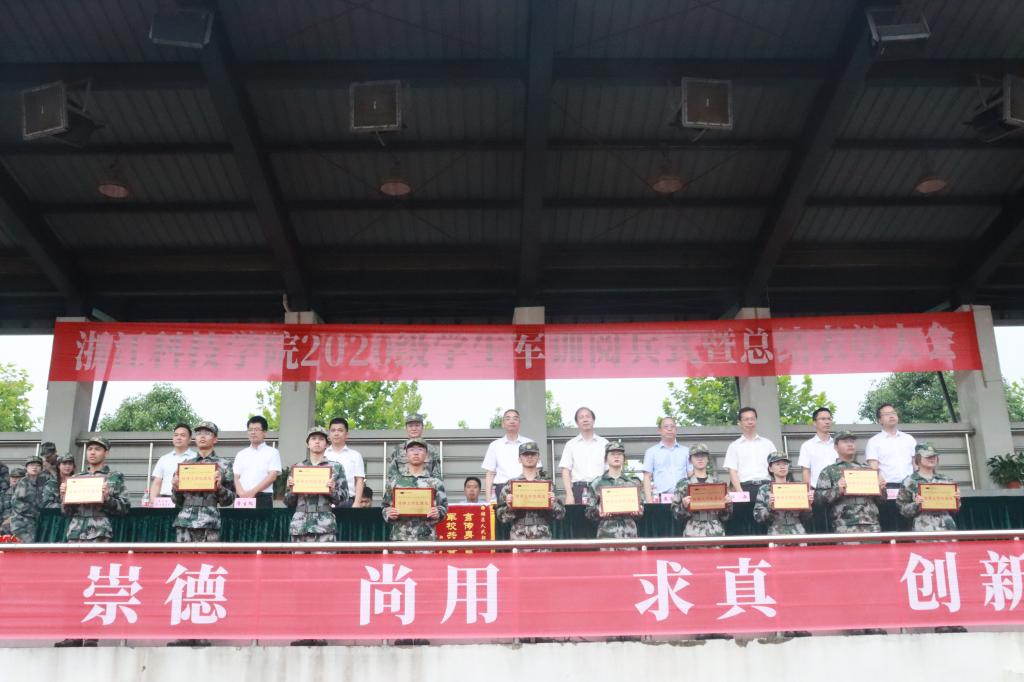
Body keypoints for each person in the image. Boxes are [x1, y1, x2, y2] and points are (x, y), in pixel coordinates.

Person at [171, 421, 236, 543]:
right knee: (183, 556)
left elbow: (230, 499)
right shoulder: (185, 464)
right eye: (199, 433)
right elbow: (176, 500)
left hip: (209, 522)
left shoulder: (224, 465)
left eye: (207, 433)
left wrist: (219, 488)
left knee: (207, 556)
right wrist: (175, 487)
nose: (202, 436)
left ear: (215, 439)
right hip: (184, 522)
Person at [283, 426, 349, 543]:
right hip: (300, 525)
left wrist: (332, 490)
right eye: (313, 438)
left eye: (321, 439)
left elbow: (343, 498)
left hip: (324, 525)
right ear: (307, 444)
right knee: (298, 556)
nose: (317, 441)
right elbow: (288, 502)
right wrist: (292, 490)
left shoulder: (336, 467)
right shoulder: (297, 468)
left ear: (327, 444)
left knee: (324, 556)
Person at [814, 431, 886, 534]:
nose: (850, 444)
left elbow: (882, 501)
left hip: (871, 525)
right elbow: (818, 500)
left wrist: (881, 488)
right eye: (845, 441)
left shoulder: (868, 470)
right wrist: (837, 490)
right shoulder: (828, 471)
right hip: (844, 526)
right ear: (835, 447)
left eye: (852, 441)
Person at [60, 437, 130, 542]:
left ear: (106, 453)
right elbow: (66, 512)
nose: (92, 452)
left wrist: (107, 498)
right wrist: (64, 497)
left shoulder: (114, 477)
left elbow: (125, 508)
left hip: (100, 533)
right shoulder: (76, 478)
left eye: (97, 449)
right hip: (75, 534)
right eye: (90, 449)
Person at [497, 441, 565, 546]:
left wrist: (552, 505)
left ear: (538, 458)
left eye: (533, 454)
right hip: (519, 536)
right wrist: (509, 507)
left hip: (542, 535)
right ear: (519, 459)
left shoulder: (548, 485)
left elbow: (561, 514)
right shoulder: (510, 485)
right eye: (525, 454)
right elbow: (501, 517)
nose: (529, 457)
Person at [383, 438, 448, 542]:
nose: (416, 453)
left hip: (426, 538)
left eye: (420, 449)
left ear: (426, 454)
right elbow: (385, 506)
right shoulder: (395, 482)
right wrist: (389, 513)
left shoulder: (435, 482)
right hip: (401, 538)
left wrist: (438, 512)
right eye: (412, 450)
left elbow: (443, 507)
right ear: (406, 454)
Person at [866, 403, 916, 531]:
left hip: (909, 487)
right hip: (888, 488)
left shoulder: (909, 439)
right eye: (887, 414)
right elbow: (873, 466)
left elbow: (915, 463)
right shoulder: (874, 441)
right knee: (890, 525)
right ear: (880, 420)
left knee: (909, 526)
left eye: (893, 413)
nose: (892, 416)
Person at [585, 440, 644, 542]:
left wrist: (638, 510)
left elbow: (641, 508)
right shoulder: (596, 483)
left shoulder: (634, 483)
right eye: (612, 454)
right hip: (606, 532)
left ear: (624, 459)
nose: (616, 457)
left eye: (620, 454)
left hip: (628, 533)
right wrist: (599, 511)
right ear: (606, 459)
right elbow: (588, 511)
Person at [671, 444, 732, 537]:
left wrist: (727, 504)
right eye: (696, 456)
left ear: (708, 459)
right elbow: (676, 515)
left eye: (703, 455)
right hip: (692, 531)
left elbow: (726, 517)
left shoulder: (718, 484)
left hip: (715, 531)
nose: (700, 459)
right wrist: (684, 506)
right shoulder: (683, 485)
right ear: (690, 460)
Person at [898, 443, 960, 532]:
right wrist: (916, 504)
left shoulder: (946, 480)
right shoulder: (909, 482)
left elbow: (955, 509)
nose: (932, 459)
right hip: (923, 529)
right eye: (928, 456)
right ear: (918, 458)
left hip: (947, 528)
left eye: (934, 456)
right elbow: (902, 510)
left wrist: (956, 500)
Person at [753, 452, 813, 535]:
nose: (782, 467)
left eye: (785, 464)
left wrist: (808, 505)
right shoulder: (764, 490)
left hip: (798, 532)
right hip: (776, 532)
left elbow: (806, 517)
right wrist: (769, 507)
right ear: (770, 468)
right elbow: (758, 517)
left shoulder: (797, 488)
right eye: (777, 464)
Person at [558, 407, 609, 505]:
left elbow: (609, 470)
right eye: (581, 417)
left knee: (601, 515)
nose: (585, 419)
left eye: (588, 416)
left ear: (593, 420)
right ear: (577, 423)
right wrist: (569, 494)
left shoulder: (604, 443)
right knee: (579, 515)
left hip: (600, 489)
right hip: (578, 489)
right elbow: (565, 470)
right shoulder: (571, 444)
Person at [481, 408, 533, 503]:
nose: (512, 421)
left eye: (515, 418)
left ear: (519, 423)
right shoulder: (494, 445)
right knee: (502, 513)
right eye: (508, 418)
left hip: (525, 488)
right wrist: (488, 500)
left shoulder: (529, 443)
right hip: (502, 489)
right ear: (503, 423)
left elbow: (536, 469)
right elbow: (490, 474)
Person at [723, 407, 776, 497]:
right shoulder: (734, 446)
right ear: (740, 423)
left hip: (766, 487)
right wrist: (740, 492)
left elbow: (776, 467)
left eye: (752, 419)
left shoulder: (768, 444)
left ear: (756, 421)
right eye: (746, 419)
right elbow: (732, 471)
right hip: (744, 487)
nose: (750, 422)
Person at [233, 416, 282, 510]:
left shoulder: (273, 452)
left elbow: (272, 476)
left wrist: (252, 492)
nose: (253, 432)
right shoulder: (241, 454)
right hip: (241, 498)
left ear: (264, 433)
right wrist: (241, 493)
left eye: (256, 429)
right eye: (250, 429)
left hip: (262, 497)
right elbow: (236, 477)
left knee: (262, 520)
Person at [642, 416, 691, 504]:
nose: (669, 429)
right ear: (660, 431)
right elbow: (647, 477)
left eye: (672, 426)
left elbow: (691, 474)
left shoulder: (686, 451)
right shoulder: (651, 452)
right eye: (666, 427)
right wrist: (650, 502)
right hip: (660, 500)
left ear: (676, 430)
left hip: (683, 500)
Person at [385, 413, 441, 485]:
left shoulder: (431, 450)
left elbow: (437, 476)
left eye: (417, 425)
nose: (414, 429)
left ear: (422, 427)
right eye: (410, 426)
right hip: (403, 488)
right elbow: (391, 476)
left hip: (426, 488)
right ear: (406, 428)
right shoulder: (397, 450)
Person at [148, 423, 195, 504]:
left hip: (188, 501)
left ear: (190, 439)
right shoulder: (164, 459)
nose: (178, 438)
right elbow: (157, 483)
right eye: (176, 435)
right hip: (165, 501)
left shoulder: (196, 458)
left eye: (183, 435)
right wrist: (152, 502)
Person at [324, 417, 365, 508]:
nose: (336, 433)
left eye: (340, 430)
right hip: (325, 501)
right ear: (329, 434)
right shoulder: (323, 454)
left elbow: (359, 480)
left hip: (348, 501)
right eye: (333, 430)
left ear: (346, 434)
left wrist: (357, 503)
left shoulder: (355, 455)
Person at [10, 454, 52, 543]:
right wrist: (34, 511)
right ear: (27, 467)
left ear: (41, 468)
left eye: (37, 465)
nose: (34, 467)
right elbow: (17, 503)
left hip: (34, 523)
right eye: (31, 465)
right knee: (26, 547)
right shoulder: (23, 482)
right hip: (21, 523)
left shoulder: (42, 482)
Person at [797, 407, 834, 488]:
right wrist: (808, 491)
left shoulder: (838, 444)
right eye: (823, 419)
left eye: (829, 419)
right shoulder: (807, 446)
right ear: (814, 423)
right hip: (817, 490)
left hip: (838, 490)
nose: (827, 422)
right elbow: (805, 471)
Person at [0, 467, 25, 536]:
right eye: (12, 477)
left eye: (18, 477)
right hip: (3, 527)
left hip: (20, 526)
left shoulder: (29, 494)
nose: (14, 479)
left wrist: (9, 520)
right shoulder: (3, 494)